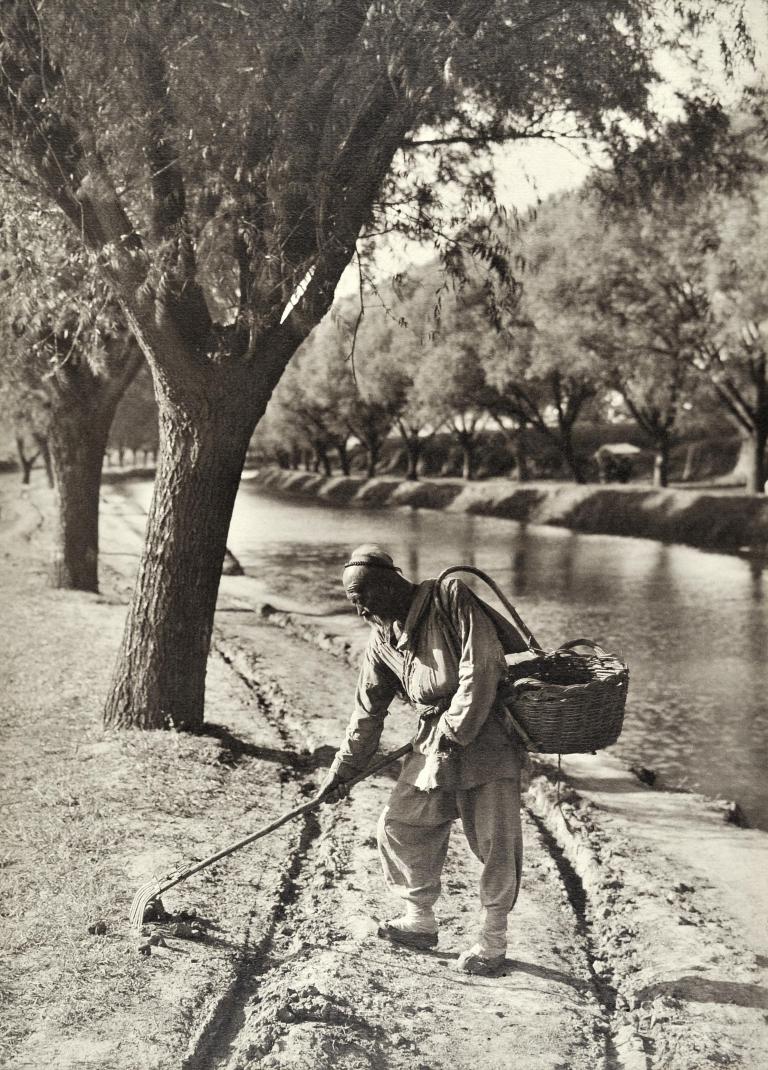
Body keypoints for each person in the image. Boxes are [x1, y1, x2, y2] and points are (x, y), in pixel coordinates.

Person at [320, 543, 530, 976]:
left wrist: (456, 728)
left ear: (390, 582)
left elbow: (483, 666)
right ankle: (419, 919)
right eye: (352, 603)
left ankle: (492, 943)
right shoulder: (382, 640)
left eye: (362, 598)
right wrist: (343, 770)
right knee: (400, 823)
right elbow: (367, 712)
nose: (360, 611)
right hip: (434, 741)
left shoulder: (450, 597)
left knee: (495, 844)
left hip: (486, 735)